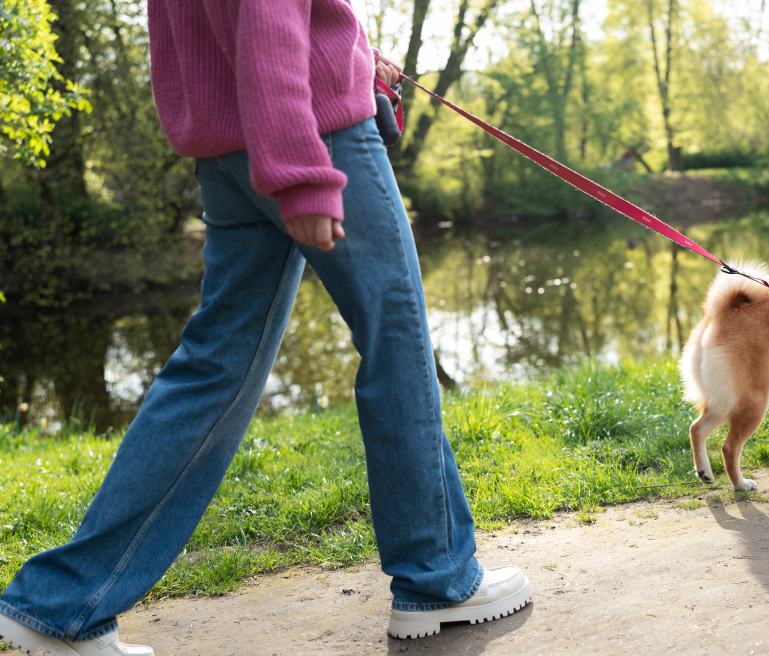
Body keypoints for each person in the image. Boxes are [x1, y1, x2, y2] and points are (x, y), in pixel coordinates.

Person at [0, 2, 531, 654]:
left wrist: (349, 51)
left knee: (215, 366)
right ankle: (438, 579)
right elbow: (268, 13)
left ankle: (60, 603)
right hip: (311, 133)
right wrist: (299, 169)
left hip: (227, 143)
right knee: (396, 344)